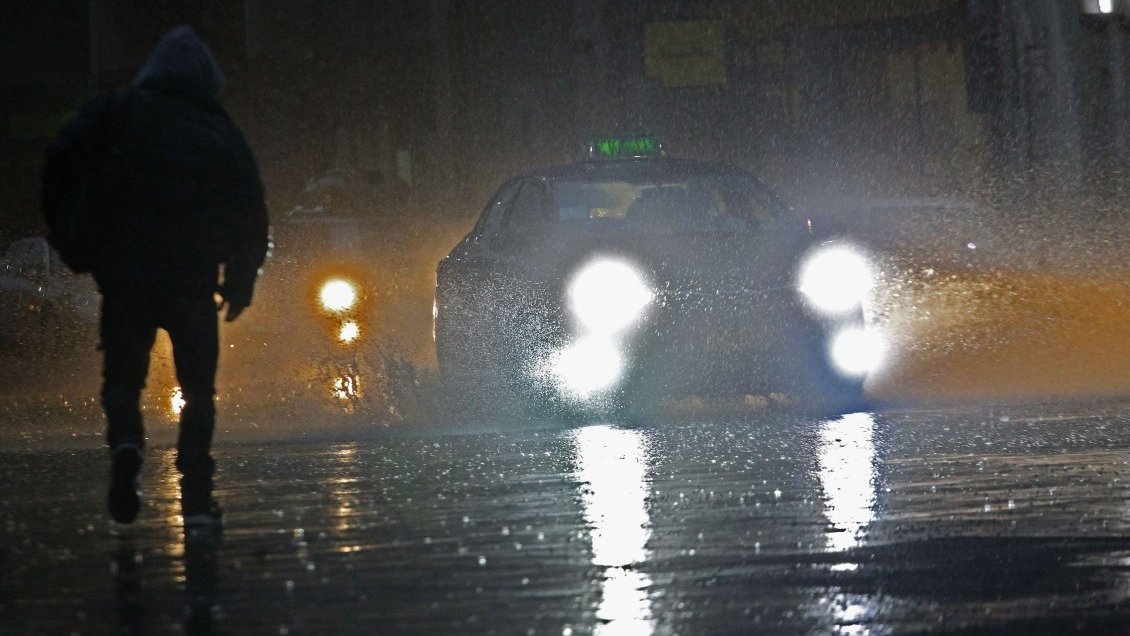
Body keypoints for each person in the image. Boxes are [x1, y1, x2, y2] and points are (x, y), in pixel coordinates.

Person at [83, 26, 268, 528]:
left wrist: (81, 245)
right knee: (199, 387)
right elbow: (249, 209)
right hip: (191, 280)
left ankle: (126, 445)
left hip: (127, 278)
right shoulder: (217, 130)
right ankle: (196, 475)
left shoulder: (117, 116)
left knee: (123, 379)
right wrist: (241, 279)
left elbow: (64, 167)